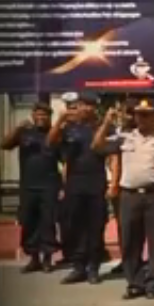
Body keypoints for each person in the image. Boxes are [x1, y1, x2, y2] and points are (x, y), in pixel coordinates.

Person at [92, 97, 154, 300]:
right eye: (139, 114)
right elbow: (97, 146)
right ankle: (135, 282)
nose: (142, 118)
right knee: (129, 240)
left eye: (147, 114)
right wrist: (106, 122)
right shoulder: (125, 138)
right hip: (129, 194)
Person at [48, 91, 110, 285]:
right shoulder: (69, 128)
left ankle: (93, 267)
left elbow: (110, 154)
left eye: (91, 105)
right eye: (83, 104)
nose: (87, 108)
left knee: (95, 226)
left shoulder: (101, 127)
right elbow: (50, 143)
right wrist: (60, 121)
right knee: (75, 225)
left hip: (96, 181)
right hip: (75, 183)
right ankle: (78, 267)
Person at [2, 102, 61, 273]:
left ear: (50, 117)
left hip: (49, 186)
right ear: (33, 115)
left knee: (47, 222)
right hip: (28, 186)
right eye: (38, 114)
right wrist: (18, 127)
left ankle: (47, 259)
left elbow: (65, 161)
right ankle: (33, 258)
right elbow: (5, 145)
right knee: (29, 222)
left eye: (45, 115)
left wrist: (62, 186)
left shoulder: (55, 134)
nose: (41, 117)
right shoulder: (25, 133)